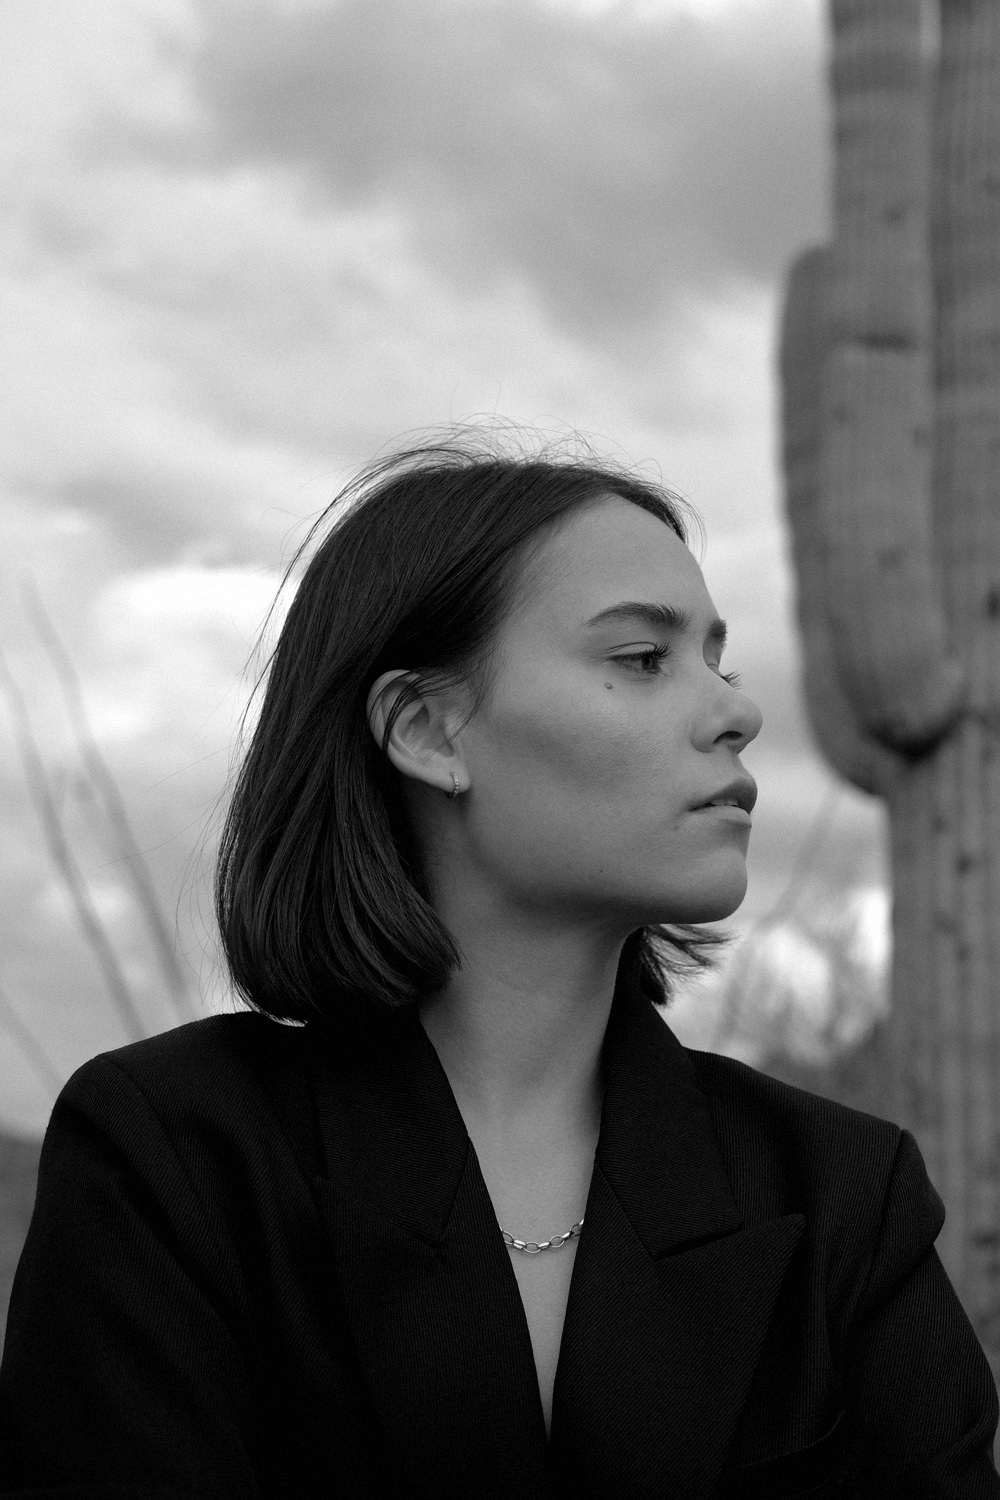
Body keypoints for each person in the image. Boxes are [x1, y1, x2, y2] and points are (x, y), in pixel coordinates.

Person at [0, 432, 997, 1500]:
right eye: (640, 659)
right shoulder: (177, 1158)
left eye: (718, 660)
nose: (736, 711)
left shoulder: (843, 1193)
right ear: (428, 731)